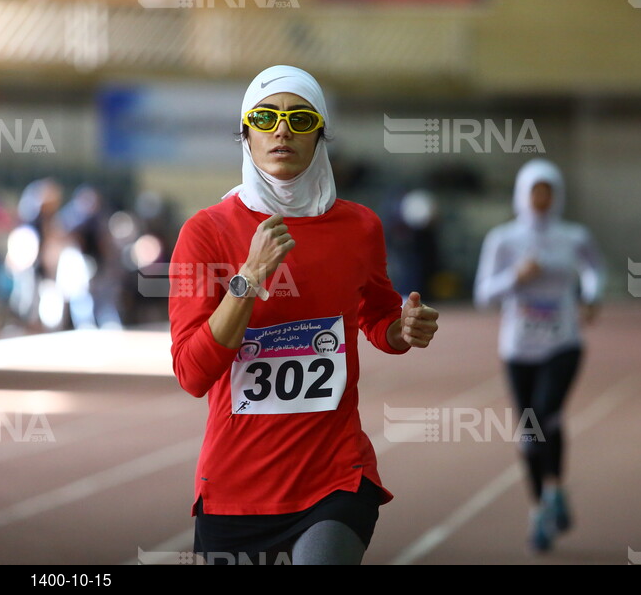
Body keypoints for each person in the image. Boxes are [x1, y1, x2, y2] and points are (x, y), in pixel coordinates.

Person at [168, 65, 439, 565]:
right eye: (266, 117)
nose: (282, 130)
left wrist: (401, 328)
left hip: (333, 477)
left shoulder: (359, 227)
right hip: (235, 485)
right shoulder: (204, 233)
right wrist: (248, 278)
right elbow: (191, 372)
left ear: (320, 134)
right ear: (245, 133)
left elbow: (377, 316)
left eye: (300, 118)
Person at [473, 158, 605, 553]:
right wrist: (517, 277)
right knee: (530, 432)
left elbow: (595, 269)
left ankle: (549, 501)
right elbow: (482, 295)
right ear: (523, 194)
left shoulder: (574, 236)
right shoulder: (503, 239)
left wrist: (591, 296)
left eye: (548, 191)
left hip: (563, 342)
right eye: (535, 191)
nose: (542, 199)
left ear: (558, 194)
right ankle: (547, 499)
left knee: (546, 412)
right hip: (518, 348)